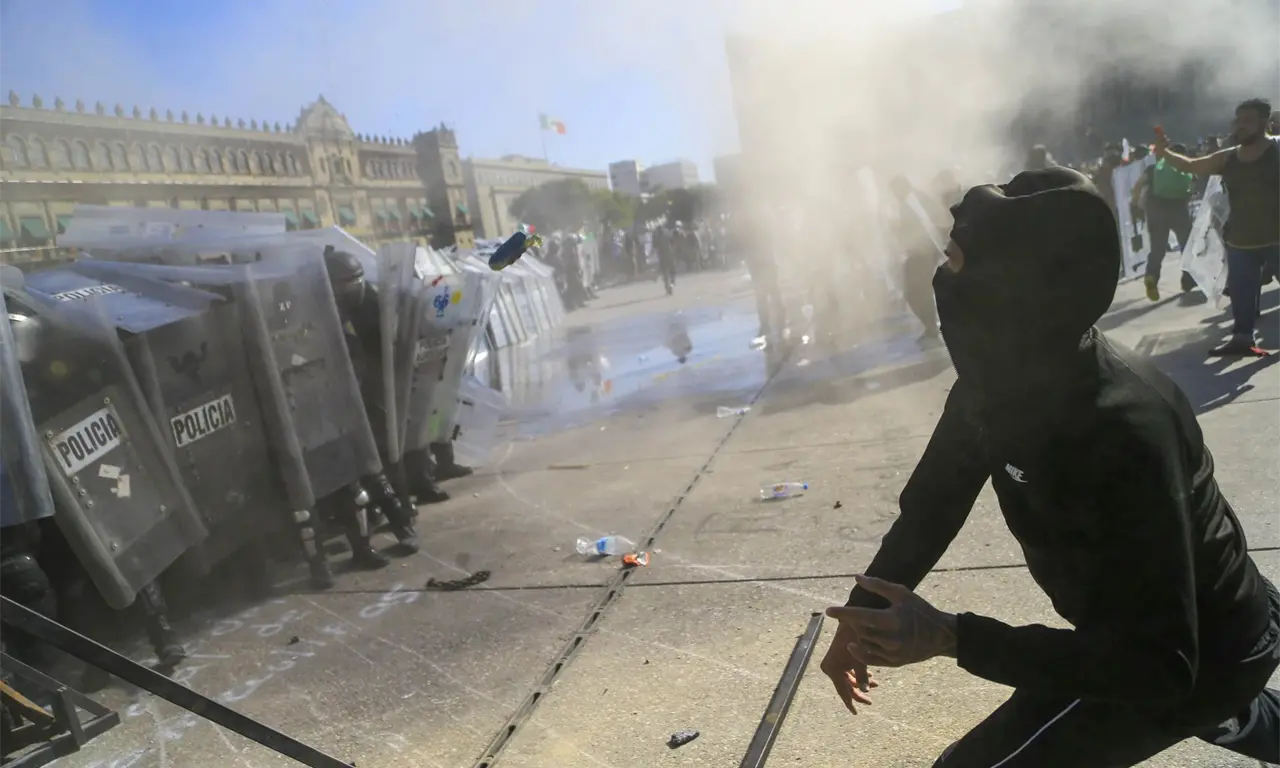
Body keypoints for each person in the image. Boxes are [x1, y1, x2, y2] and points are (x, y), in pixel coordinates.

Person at [819, 167, 1280, 767]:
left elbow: (1160, 664)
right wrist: (863, 616)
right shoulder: (995, 384)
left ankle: (1229, 703)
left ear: (1012, 286)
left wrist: (953, 635)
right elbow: (930, 509)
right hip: (1144, 641)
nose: (940, 281)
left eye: (955, 264)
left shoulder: (1124, 428)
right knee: (1226, 713)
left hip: (1196, 655)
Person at [1156, 98, 1280, 355]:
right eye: (1238, 120)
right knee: (1242, 294)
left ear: (1265, 123)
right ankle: (1243, 339)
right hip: (1241, 242)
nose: (1241, 126)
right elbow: (1192, 166)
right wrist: (1165, 152)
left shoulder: (1277, 150)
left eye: (1248, 121)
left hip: (1277, 239)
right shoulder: (1228, 158)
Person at [1132, 143, 1197, 300]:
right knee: (1186, 244)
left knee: (1158, 248)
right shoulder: (1186, 168)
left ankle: (1151, 276)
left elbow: (1137, 186)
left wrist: (1136, 205)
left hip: (1155, 210)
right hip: (1178, 209)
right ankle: (1188, 279)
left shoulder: (1153, 169)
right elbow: (1192, 189)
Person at [888, 175, 943, 345]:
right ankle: (931, 327)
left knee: (915, 291)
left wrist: (940, 247)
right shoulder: (908, 203)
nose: (894, 194)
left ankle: (932, 327)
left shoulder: (915, 201)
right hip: (920, 251)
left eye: (895, 190)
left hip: (924, 251)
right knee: (917, 292)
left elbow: (929, 224)